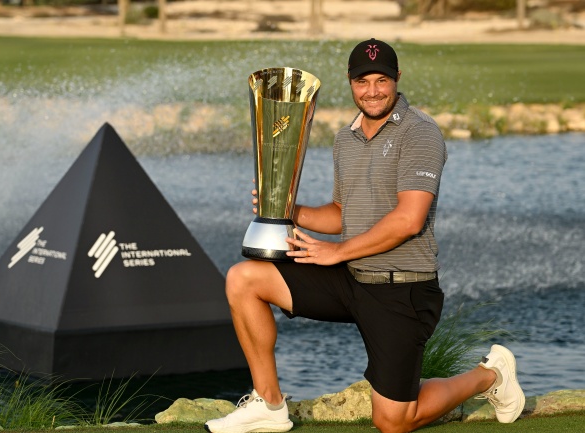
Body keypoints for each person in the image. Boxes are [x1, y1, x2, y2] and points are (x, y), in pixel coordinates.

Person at [205, 38, 525, 433]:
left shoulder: (420, 133)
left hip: (401, 288)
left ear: (397, 79)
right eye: (363, 81)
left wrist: (336, 253)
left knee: (393, 421)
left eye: (381, 80)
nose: (372, 91)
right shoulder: (346, 138)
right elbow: (342, 213)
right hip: (351, 277)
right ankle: (268, 405)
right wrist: (287, 208)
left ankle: (491, 376)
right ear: (350, 83)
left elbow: (409, 219)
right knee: (244, 278)